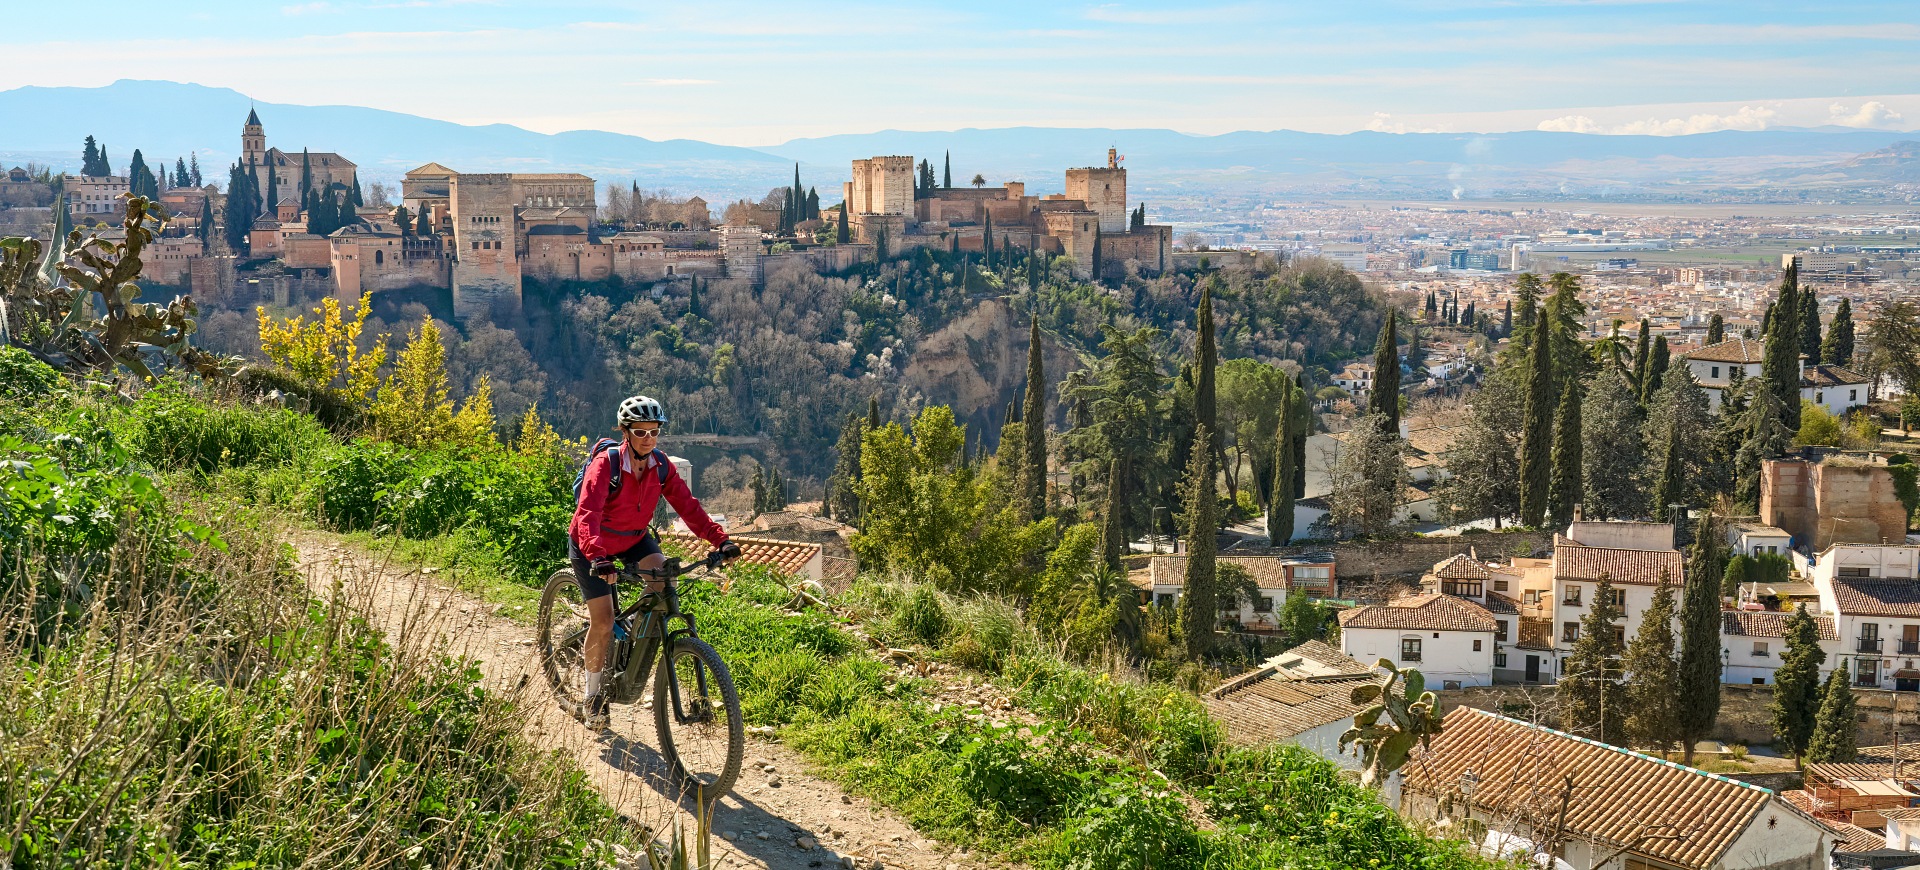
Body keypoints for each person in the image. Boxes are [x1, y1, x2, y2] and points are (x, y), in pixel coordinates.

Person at [569, 394, 739, 729]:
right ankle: (592, 698)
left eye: (654, 432)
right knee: (602, 622)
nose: (648, 439)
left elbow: (688, 507)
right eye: (641, 432)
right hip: (593, 543)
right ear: (626, 432)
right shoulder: (608, 464)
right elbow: (587, 513)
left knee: (664, 580)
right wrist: (598, 557)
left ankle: (633, 631)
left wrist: (721, 539)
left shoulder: (661, 466)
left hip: (633, 537)